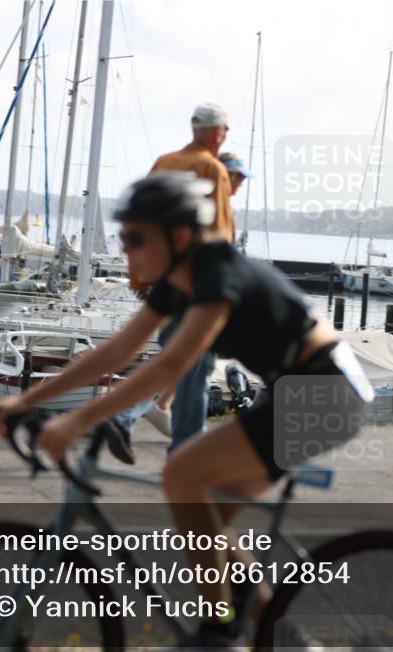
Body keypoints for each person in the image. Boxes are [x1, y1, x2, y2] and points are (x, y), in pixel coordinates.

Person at [0, 171, 372, 652]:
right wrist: (25, 401)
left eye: (135, 238)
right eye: (123, 237)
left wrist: (77, 420)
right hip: (297, 388)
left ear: (180, 236)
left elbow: (172, 364)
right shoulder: (178, 281)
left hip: (324, 391)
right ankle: (291, 648)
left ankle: (220, 639)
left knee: (183, 474)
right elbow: (118, 350)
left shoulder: (217, 273)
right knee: (207, 524)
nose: (126, 250)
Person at [141, 104, 236, 453]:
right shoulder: (212, 168)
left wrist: (141, 273)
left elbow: (143, 220)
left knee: (175, 360)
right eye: (225, 130)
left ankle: (134, 420)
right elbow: (221, 232)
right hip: (198, 282)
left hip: (163, 277)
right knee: (198, 365)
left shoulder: (163, 163)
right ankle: (185, 451)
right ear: (217, 133)